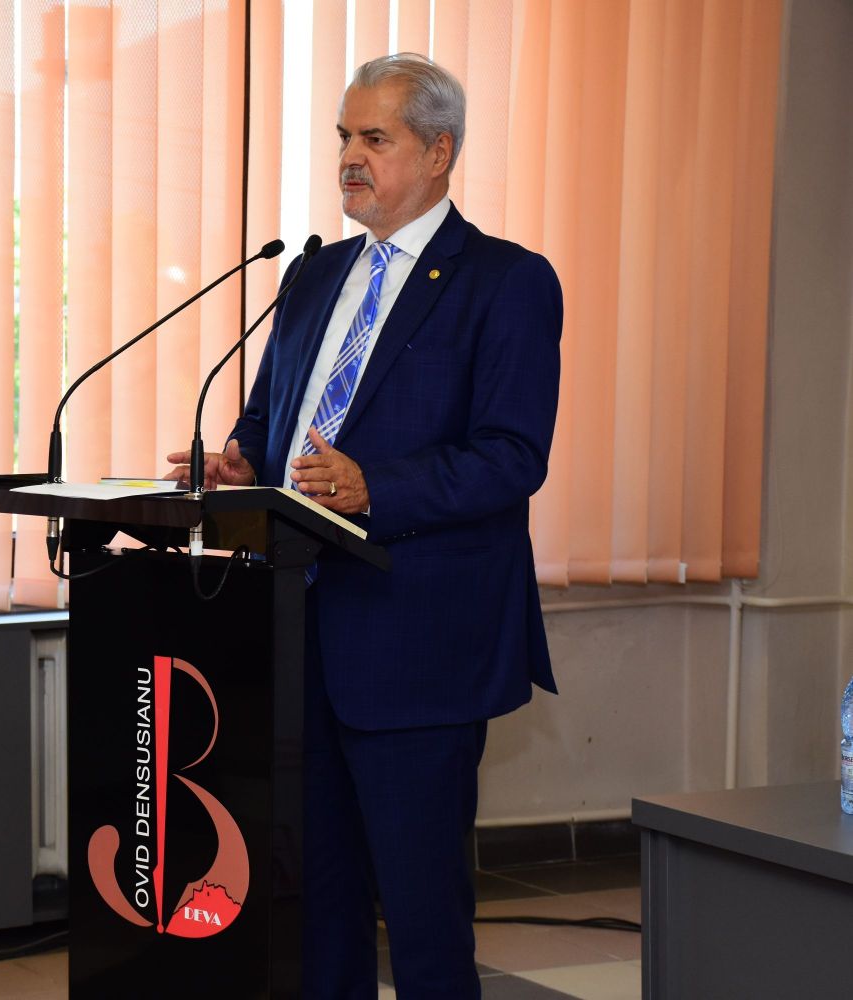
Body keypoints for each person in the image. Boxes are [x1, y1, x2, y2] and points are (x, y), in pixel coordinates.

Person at [166, 54, 562, 998]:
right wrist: (242, 464)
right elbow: (269, 420)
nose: (350, 156)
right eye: (344, 135)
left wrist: (374, 486)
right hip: (295, 633)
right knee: (314, 908)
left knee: (423, 916)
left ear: (439, 152)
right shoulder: (313, 274)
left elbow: (513, 456)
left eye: (374, 138)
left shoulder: (504, 282)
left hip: (418, 641)